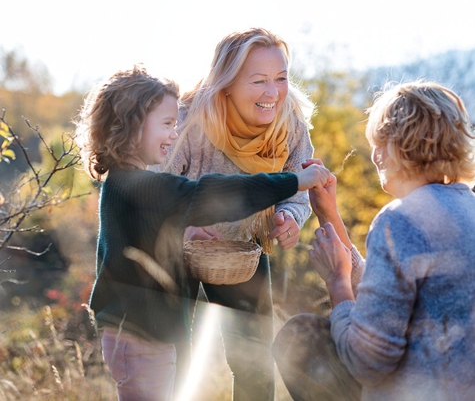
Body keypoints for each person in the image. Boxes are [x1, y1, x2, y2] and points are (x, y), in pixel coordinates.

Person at [74, 65, 334, 401]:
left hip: (142, 334)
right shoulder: (141, 185)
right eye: (167, 124)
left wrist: (187, 230)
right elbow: (211, 195)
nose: (174, 133)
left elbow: (150, 231)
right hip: (140, 337)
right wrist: (295, 181)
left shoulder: (127, 183)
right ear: (131, 125)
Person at [153, 27, 364, 400]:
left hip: (244, 253)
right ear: (228, 83)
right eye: (259, 81)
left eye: (281, 78)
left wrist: (288, 217)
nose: (273, 92)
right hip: (178, 246)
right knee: (173, 355)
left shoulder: (290, 124)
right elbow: (156, 185)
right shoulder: (190, 120)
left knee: (253, 357)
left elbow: (300, 186)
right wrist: (182, 228)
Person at [272, 80, 475, 401]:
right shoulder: (467, 208)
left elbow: (367, 363)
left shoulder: (401, 219)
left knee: (301, 336)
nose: (375, 156)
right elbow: (385, 298)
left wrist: (338, 282)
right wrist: (329, 215)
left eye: (380, 143)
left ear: (403, 143)